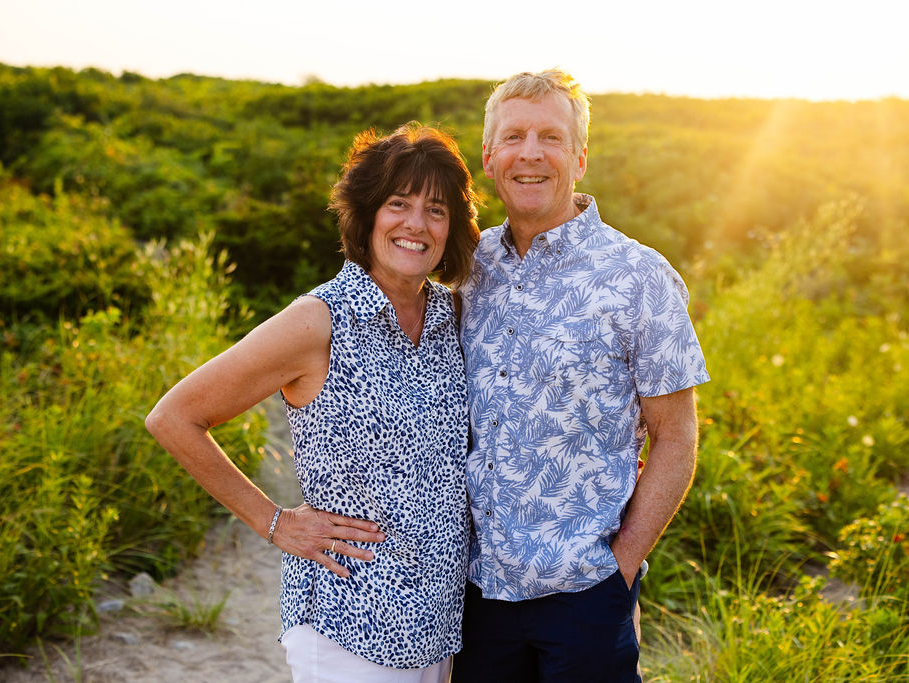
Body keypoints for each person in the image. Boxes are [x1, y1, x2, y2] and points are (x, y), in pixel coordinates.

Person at [145, 122, 481, 683]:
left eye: (437, 209)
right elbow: (175, 417)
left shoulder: (453, 316)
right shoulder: (317, 321)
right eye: (399, 203)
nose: (416, 224)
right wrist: (272, 522)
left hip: (440, 627)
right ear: (368, 213)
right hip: (348, 620)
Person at [451, 70, 710, 682]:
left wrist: (619, 569)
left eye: (551, 137)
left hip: (586, 593)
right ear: (489, 158)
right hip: (476, 595)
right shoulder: (466, 268)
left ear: (580, 157)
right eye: (513, 137)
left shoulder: (638, 277)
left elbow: (676, 439)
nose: (531, 153)